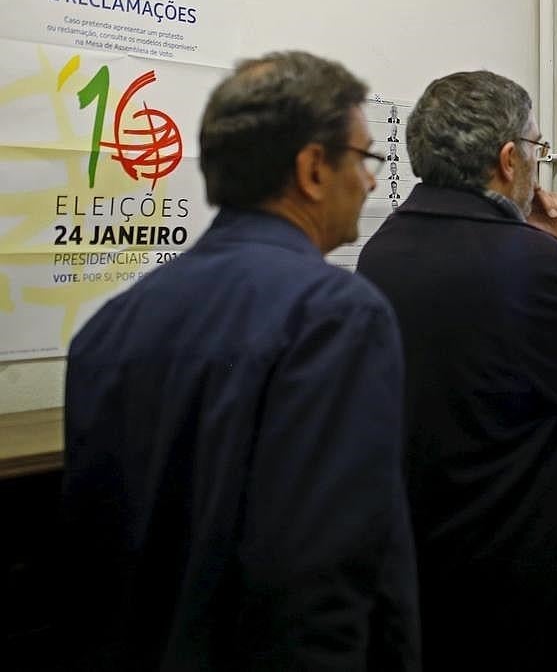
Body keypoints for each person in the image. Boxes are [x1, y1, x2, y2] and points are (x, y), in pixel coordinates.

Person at [62, 50, 419, 670]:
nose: (369, 182)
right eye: (365, 158)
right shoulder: (335, 315)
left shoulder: (107, 327)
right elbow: (321, 574)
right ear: (312, 168)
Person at [357, 71, 557, 671]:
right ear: (509, 159)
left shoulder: (381, 250)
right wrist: (550, 246)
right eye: (538, 150)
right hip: (530, 554)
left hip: (427, 545)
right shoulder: (535, 259)